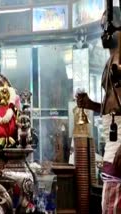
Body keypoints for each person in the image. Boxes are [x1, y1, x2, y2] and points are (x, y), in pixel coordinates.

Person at [76, 7, 121, 213]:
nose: (103, 32)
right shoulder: (110, 61)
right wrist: (91, 104)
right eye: (101, 26)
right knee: (109, 202)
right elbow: (111, 106)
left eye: (106, 26)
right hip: (112, 139)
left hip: (119, 142)